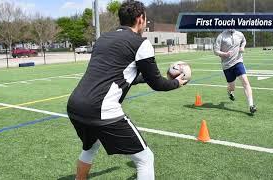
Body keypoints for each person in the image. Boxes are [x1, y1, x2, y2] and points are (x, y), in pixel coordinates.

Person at [66, 1, 187, 180]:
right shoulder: (141, 43)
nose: (146, 22)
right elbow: (158, 84)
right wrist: (177, 82)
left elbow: (119, 75)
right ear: (140, 19)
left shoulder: (103, 39)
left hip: (75, 105)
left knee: (90, 148)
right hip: (101, 109)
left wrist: (150, 78)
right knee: (146, 159)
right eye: (145, 18)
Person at [213, 29, 257, 114]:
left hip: (238, 62)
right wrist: (224, 54)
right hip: (227, 65)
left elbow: (244, 40)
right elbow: (215, 51)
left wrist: (242, 47)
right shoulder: (221, 36)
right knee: (232, 87)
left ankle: (251, 105)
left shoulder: (239, 34)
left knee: (245, 81)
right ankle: (229, 92)